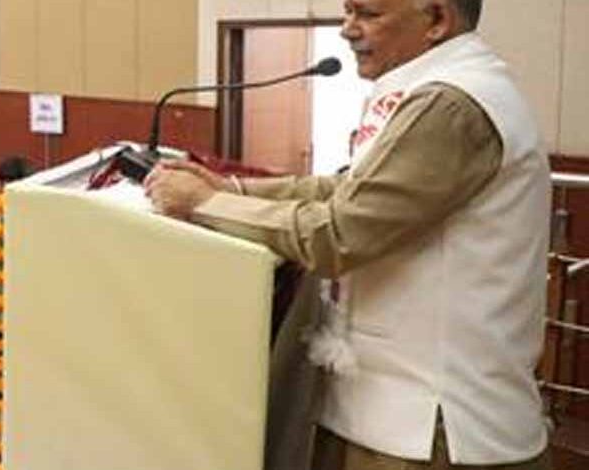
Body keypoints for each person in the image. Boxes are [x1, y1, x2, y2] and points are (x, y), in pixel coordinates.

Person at [145, 1, 552, 469]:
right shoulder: (427, 89)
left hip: (431, 426)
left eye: (368, 14)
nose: (347, 30)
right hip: (389, 411)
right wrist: (232, 188)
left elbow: (340, 234)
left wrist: (203, 204)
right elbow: (347, 189)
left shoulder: (451, 105)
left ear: (437, 20)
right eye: (347, 11)